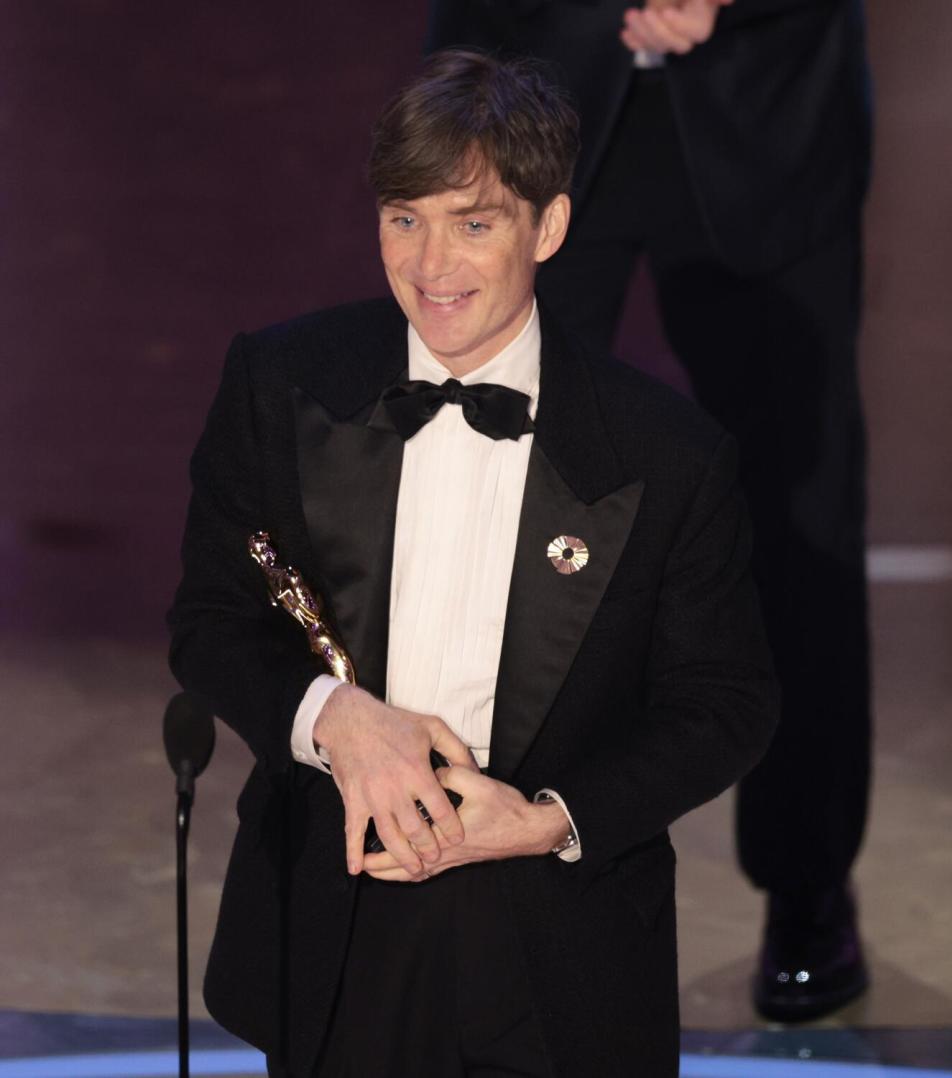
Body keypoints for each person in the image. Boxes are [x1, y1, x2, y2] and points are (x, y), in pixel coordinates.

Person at [169, 50, 778, 1078]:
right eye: (404, 217)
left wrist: (552, 821)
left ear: (550, 227)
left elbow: (726, 703)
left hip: (555, 940)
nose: (430, 263)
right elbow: (210, 620)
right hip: (333, 917)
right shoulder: (282, 383)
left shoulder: (667, 453)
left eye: (474, 221)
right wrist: (331, 720)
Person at [427, 0, 873, 1022]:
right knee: (487, 501)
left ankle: (806, 879)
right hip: (526, 75)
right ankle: (478, 872)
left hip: (767, 105)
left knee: (798, 513)